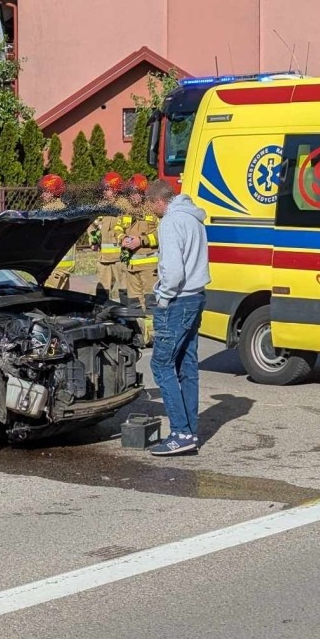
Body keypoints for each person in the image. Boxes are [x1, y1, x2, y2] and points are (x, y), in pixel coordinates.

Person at [146, 179, 210, 456]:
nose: (151, 211)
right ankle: (190, 432)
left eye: (151, 206)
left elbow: (173, 272)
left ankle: (181, 433)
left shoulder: (170, 223)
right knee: (187, 366)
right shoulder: (194, 219)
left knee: (161, 364)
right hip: (196, 296)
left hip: (177, 300)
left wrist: (162, 297)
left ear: (159, 201)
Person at [120, 173, 160, 340]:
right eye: (130, 193)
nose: (133, 197)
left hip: (149, 266)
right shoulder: (126, 210)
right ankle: (139, 335)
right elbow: (117, 229)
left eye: (135, 193)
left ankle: (152, 336)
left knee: (151, 302)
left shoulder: (153, 209)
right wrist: (122, 240)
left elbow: (160, 234)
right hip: (131, 266)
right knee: (134, 303)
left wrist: (140, 241)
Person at [38, 174, 74, 289]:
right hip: (64, 268)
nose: (42, 194)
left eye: (45, 191)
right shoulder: (65, 208)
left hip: (53, 266)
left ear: (54, 192)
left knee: (49, 301)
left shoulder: (49, 210)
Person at [93, 172, 126, 301]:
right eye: (104, 189)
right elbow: (92, 224)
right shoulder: (101, 206)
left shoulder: (124, 206)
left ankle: (130, 314)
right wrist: (93, 239)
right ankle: (101, 313)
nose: (105, 192)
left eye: (107, 189)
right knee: (102, 290)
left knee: (125, 288)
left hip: (120, 258)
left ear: (116, 190)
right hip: (103, 259)